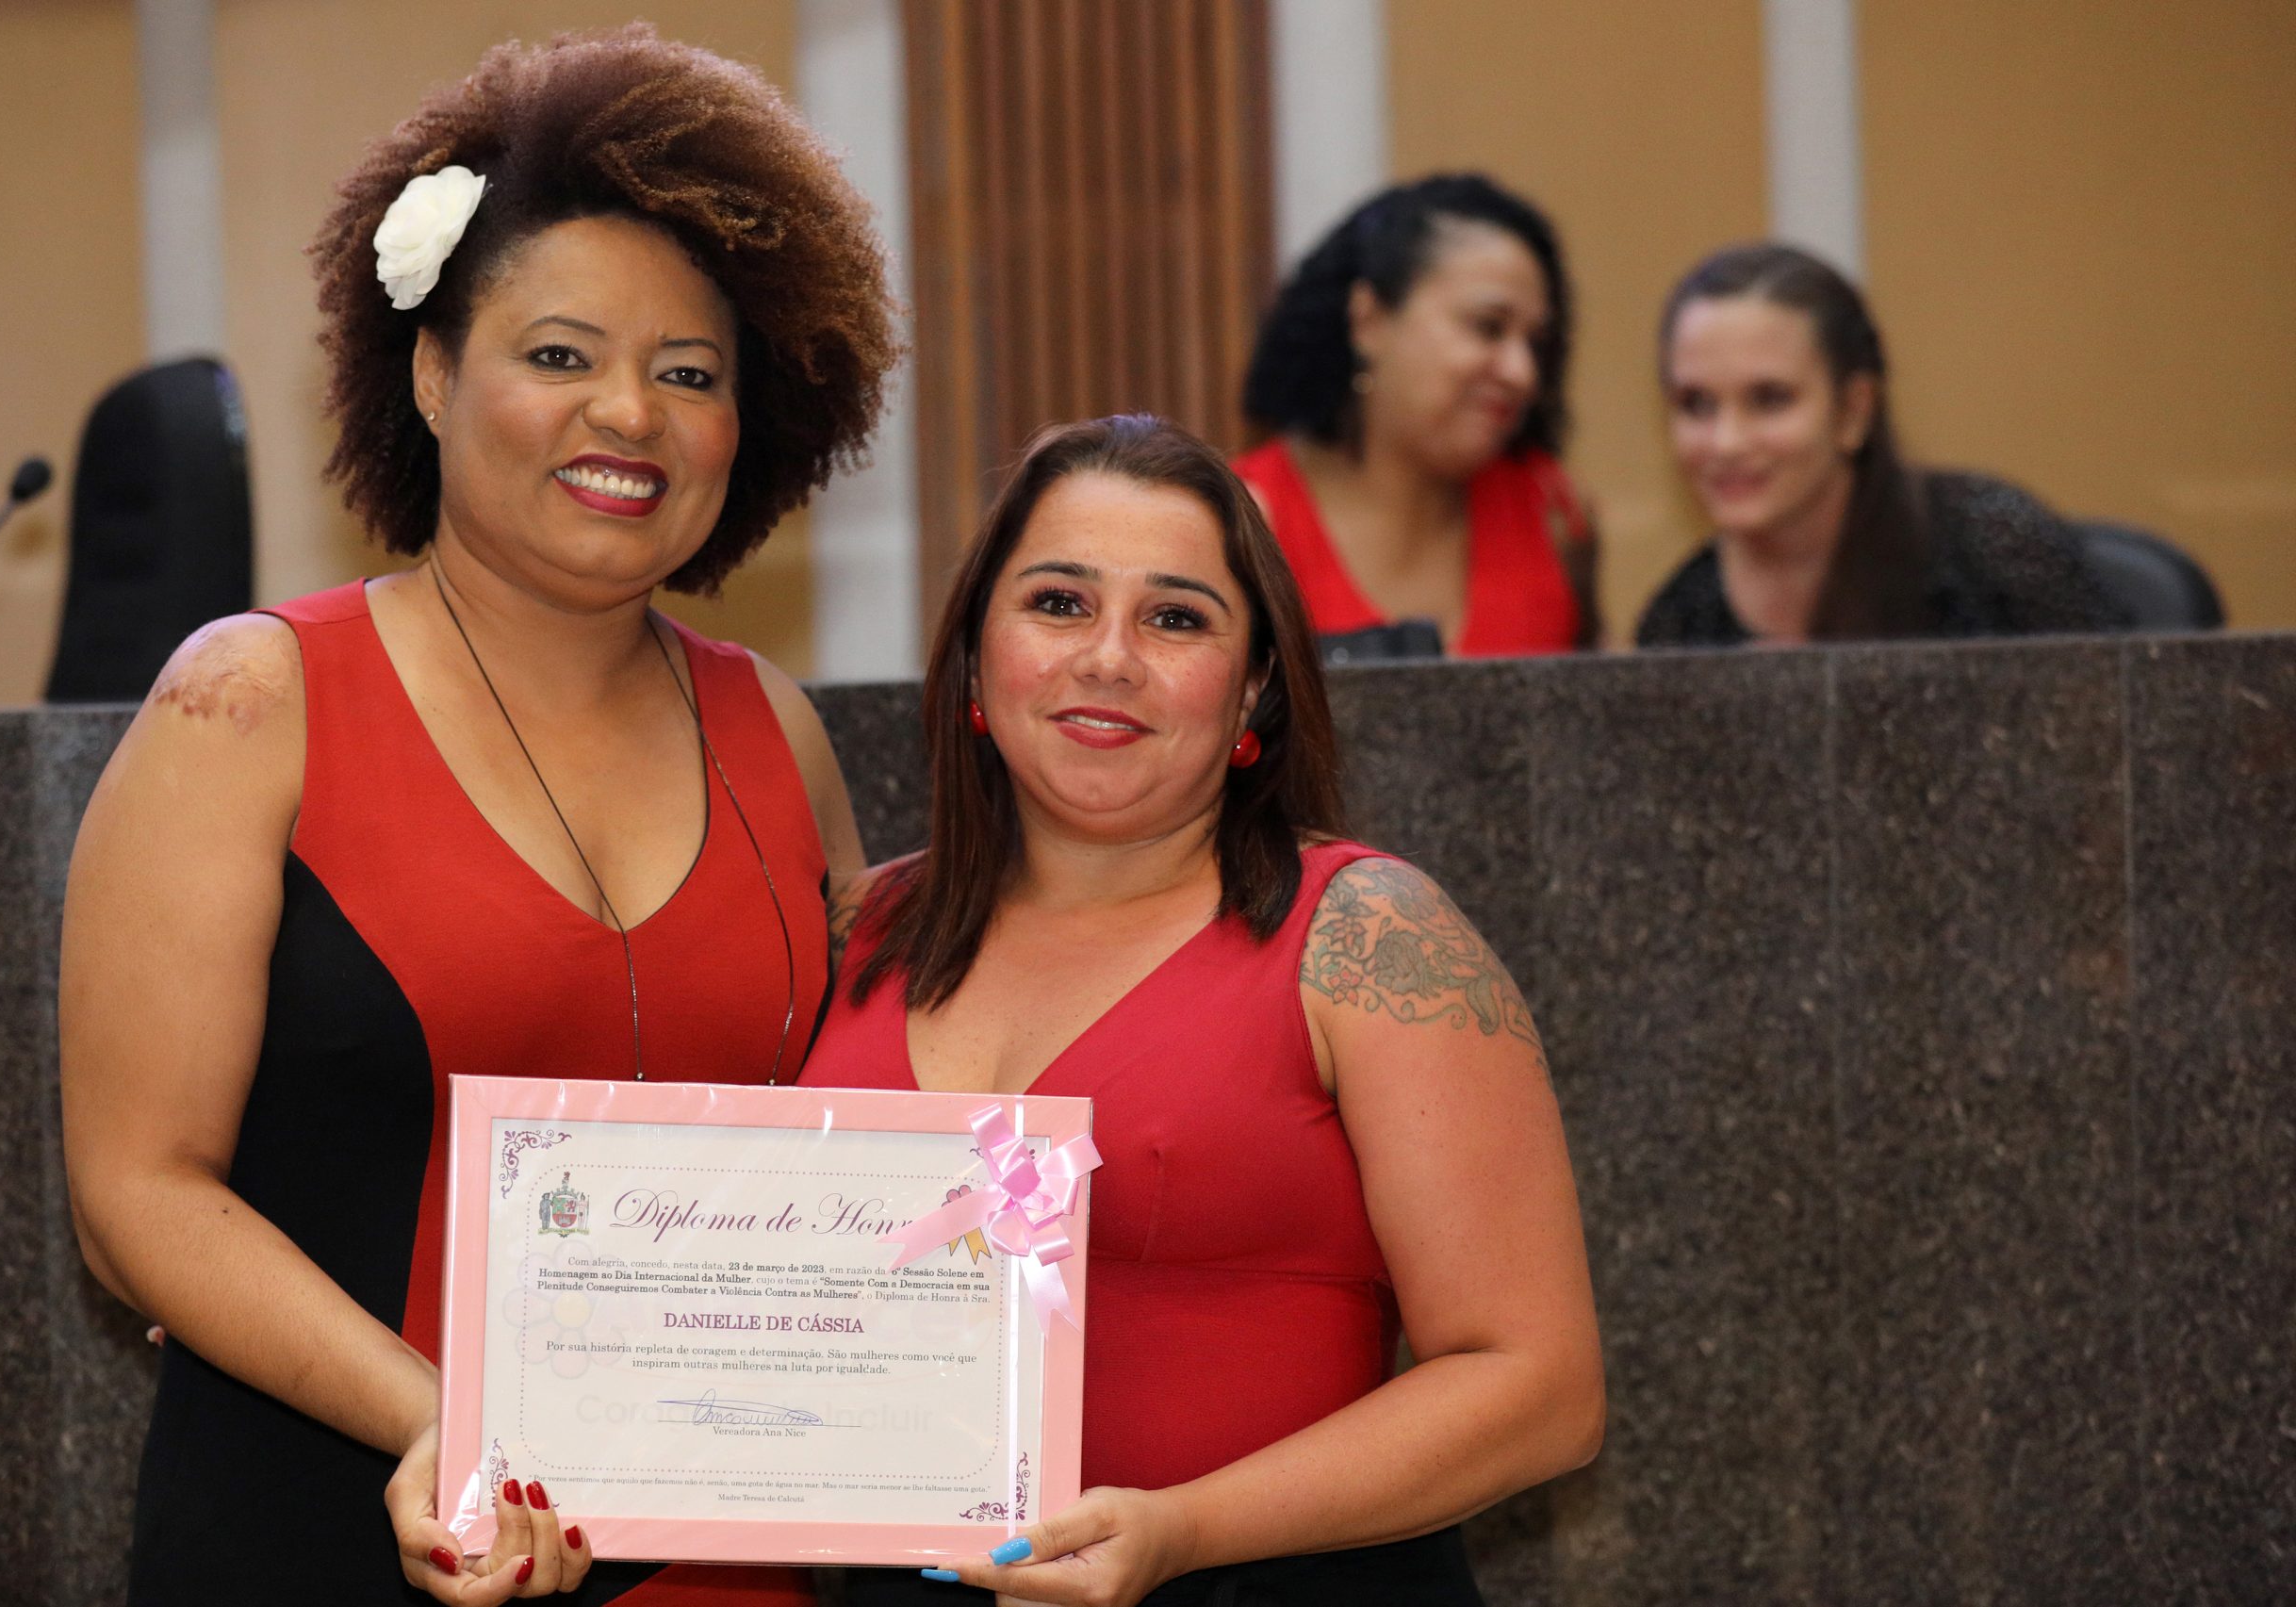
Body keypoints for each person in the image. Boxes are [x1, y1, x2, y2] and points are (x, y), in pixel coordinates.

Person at [58, 27, 896, 1607]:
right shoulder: (246, 707)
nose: (629, 416)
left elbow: (854, 1143)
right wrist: (449, 1427)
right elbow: (135, 1196)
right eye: (562, 356)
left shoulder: (773, 729)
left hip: (718, 1566)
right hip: (335, 1530)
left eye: (689, 374)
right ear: (436, 377)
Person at [801, 415, 1604, 1606]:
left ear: (1254, 690)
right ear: (974, 657)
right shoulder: (852, 930)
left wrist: (1181, 1530)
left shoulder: (1370, 936)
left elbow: (1538, 1389)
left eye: (1175, 618)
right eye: (1059, 603)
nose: (1109, 656)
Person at [1637, 242, 2129, 647]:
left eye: (1770, 400)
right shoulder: (1678, 624)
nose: (1726, 442)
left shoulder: (1994, 542)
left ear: (1854, 411)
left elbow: (2125, 744)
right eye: (1696, 404)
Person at [1237, 173, 1599, 659]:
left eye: (1534, 343)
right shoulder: (1245, 521)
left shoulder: (1555, 513)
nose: (1522, 373)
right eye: (1488, 327)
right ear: (1369, 321)